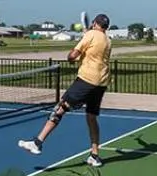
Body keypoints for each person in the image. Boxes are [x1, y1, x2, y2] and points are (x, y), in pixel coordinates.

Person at [19, 13, 112, 167]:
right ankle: (94, 156)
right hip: (101, 83)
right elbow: (95, 49)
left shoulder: (90, 35)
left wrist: (73, 55)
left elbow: (72, 56)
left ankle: (37, 143)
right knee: (91, 117)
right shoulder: (108, 40)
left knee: (60, 109)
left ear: (95, 23)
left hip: (86, 80)